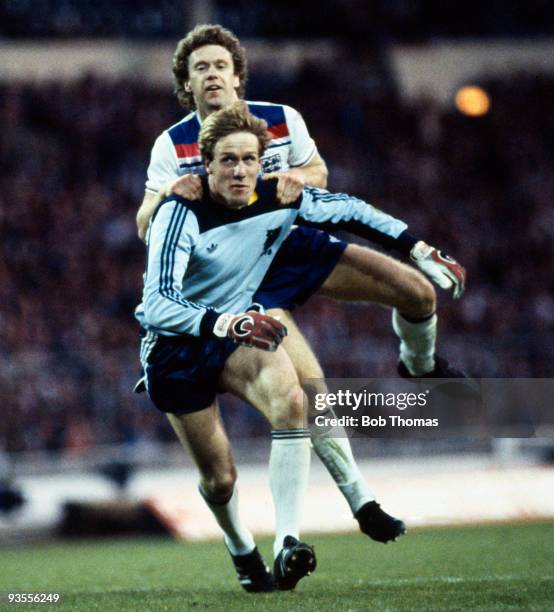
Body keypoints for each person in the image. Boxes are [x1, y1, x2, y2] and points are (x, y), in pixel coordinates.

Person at [136, 24, 465, 548]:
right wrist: (165, 197)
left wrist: (302, 182)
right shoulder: (173, 145)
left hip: (286, 240)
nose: (212, 75)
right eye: (200, 69)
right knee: (308, 389)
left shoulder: (281, 120)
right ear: (188, 85)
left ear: (238, 76)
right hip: (236, 269)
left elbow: (319, 173)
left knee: (419, 293)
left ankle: (420, 365)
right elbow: (146, 223)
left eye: (221, 65)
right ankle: (360, 501)